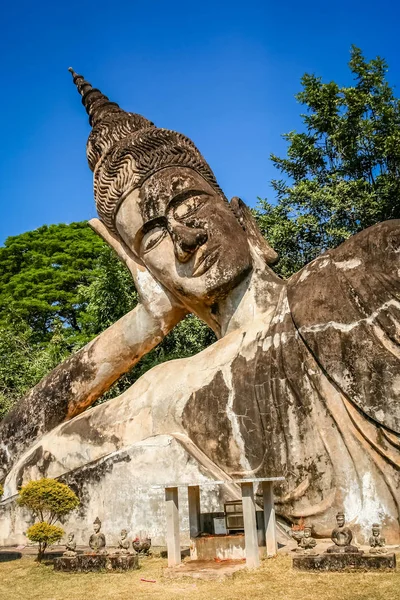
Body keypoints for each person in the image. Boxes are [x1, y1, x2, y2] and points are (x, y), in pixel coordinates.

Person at [2, 70, 400, 543]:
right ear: (147, 271)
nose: (185, 238)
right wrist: (147, 322)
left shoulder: (364, 266)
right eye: (154, 236)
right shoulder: (168, 390)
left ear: (243, 218)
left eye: (189, 203)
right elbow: (16, 465)